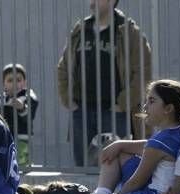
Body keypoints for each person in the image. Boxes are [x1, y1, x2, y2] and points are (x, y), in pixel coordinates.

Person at [57, 0, 152, 166]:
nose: (92, 2)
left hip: (115, 111)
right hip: (81, 110)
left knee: (117, 165)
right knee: (83, 166)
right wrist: (68, 99)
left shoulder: (128, 32)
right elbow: (63, 67)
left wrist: (123, 103)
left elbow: (143, 73)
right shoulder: (80, 30)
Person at [0, 63, 38, 167]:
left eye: (18, 80)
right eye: (10, 80)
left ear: (25, 82)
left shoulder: (29, 97)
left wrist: (22, 108)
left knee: (21, 161)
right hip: (3, 138)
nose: (14, 84)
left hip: (22, 137)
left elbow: (30, 116)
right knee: (4, 160)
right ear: (4, 84)